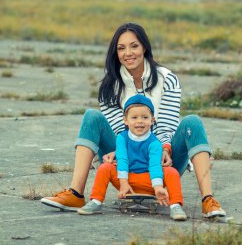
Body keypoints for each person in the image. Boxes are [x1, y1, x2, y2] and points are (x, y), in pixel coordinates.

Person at [41, 22, 226, 218]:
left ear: (144, 47)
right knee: (91, 117)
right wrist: (117, 154)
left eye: (134, 46)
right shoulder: (109, 87)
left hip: (163, 164)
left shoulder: (168, 79)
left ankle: (208, 201)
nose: (128, 53)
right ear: (116, 53)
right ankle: (75, 194)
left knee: (192, 122)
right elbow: (120, 131)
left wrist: (165, 148)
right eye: (121, 48)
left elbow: (167, 123)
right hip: (125, 162)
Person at [77, 94, 187, 221]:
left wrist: (157, 187)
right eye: (134, 117)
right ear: (125, 120)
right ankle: (96, 201)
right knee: (105, 168)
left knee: (171, 172)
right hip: (126, 180)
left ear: (152, 120)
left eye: (145, 117)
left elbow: (155, 165)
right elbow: (122, 160)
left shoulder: (155, 143)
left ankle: (175, 205)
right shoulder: (122, 138)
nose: (139, 121)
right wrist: (123, 184)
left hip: (149, 181)